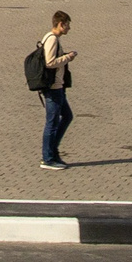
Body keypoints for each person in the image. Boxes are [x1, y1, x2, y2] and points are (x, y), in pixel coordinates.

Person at [38, 11, 77, 171]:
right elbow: (50, 62)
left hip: (58, 87)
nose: (69, 28)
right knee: (52, 123)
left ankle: (53, 151)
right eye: (67, 24)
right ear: (60, 24)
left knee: (67, 116)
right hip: (53, 88)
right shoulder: (52, 39)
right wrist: (68, 57)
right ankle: (48, 158)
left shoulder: (52, 38)